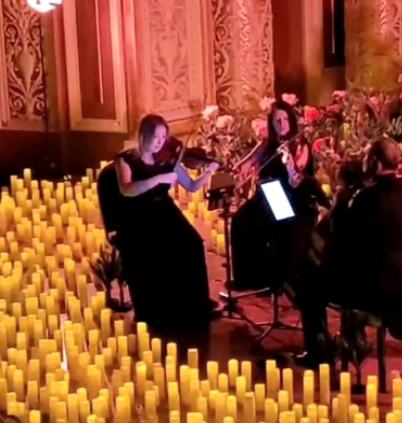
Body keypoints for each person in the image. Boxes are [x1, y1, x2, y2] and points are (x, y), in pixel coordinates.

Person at [293, 138, 402, 368]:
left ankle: (320, 350)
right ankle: (350, 337)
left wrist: (339, 205)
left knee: (309, 279)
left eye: (367, 158)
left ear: (376, 163)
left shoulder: (367, 199)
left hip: (381, 289)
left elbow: (343, 241)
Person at [114, 114, 219, 329]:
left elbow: (191, 186)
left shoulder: (167, 159)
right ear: (144, 135)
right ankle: (164, 308)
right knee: (161, 252)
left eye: (164, 137)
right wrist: (158, 179)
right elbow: (127, 189)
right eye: (157, 137)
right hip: (139, 215)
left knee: (192, 244)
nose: (161, 142)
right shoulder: (125, 160)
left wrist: (209, 172)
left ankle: (197, 303)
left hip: (164, 209)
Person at [230, 100, 328, 290]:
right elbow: (246, 163)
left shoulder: (300, 145)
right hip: (267, 194)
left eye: (285, 119)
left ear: (291, 121)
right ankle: (248, 278)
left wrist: (289, 162)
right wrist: (239, 169)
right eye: (277, 120)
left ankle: (272, 279)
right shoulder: (268, 143)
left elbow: (296, 181)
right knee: (239, 220)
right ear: (271, 122)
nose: (281, 124)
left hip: (291, 198)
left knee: (270, 226)